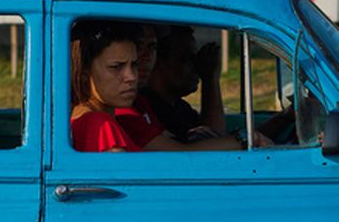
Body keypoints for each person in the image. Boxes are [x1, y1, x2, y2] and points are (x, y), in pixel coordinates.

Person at [116, 24, 270, 151]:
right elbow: (182, 152)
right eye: (187, 58)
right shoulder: (127, 110)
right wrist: (245, 139)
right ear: (161, 63)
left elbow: (210, 137)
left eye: (152, 47)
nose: (146, 57)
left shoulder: (146, 106)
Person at [70, 21, 142, 152]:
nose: (131, 76)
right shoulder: (99, 123)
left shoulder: (86, 118)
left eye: (134, 64)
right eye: (116, 67)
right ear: (85, 73)